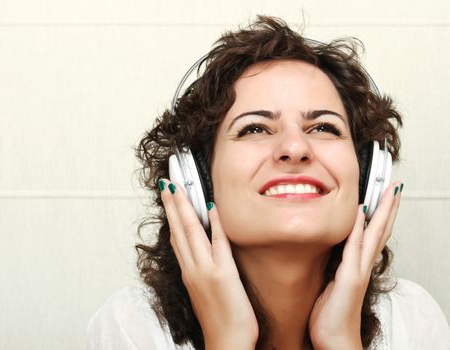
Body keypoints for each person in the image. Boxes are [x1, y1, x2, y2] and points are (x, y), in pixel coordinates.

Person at [87, 16, 450, 349]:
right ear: (194, 177)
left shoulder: (410, 319)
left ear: (370, 175)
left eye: (323, 127)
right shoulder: (132, 326)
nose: (295, 148)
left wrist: (340, 340)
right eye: (255, 128)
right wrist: (229, 341)